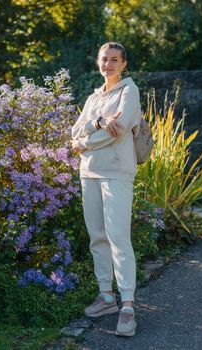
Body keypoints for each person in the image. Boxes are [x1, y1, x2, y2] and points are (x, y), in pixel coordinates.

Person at [71, 42, 141, 337]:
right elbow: (74, 131)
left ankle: (127, 306)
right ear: (98, 62)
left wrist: (86, 141)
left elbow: (121, 127)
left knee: (118, 239)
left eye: (115, 60)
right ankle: (106, 297)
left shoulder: (129, 90)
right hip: (90, 173)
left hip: (116, 173)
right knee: (97, 237)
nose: (108, 64)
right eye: (104, 59)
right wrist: (98, 122)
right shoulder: (93, 97)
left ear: (124, 64)